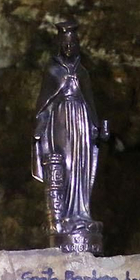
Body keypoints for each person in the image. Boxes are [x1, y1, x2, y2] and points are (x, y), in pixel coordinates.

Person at [32, 20, 109, 253]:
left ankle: (81, 212)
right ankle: (62, 215)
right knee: (64, 164)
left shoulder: (83, 72)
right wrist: (39, 127)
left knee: (80, 166)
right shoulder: (53, 71)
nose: (69, 48)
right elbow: (44, 103)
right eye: (65, 44)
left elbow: (91, 103)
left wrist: (96, 126)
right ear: (60, 46)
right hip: (62, 121)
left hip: (82, 122)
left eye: (72, 44)